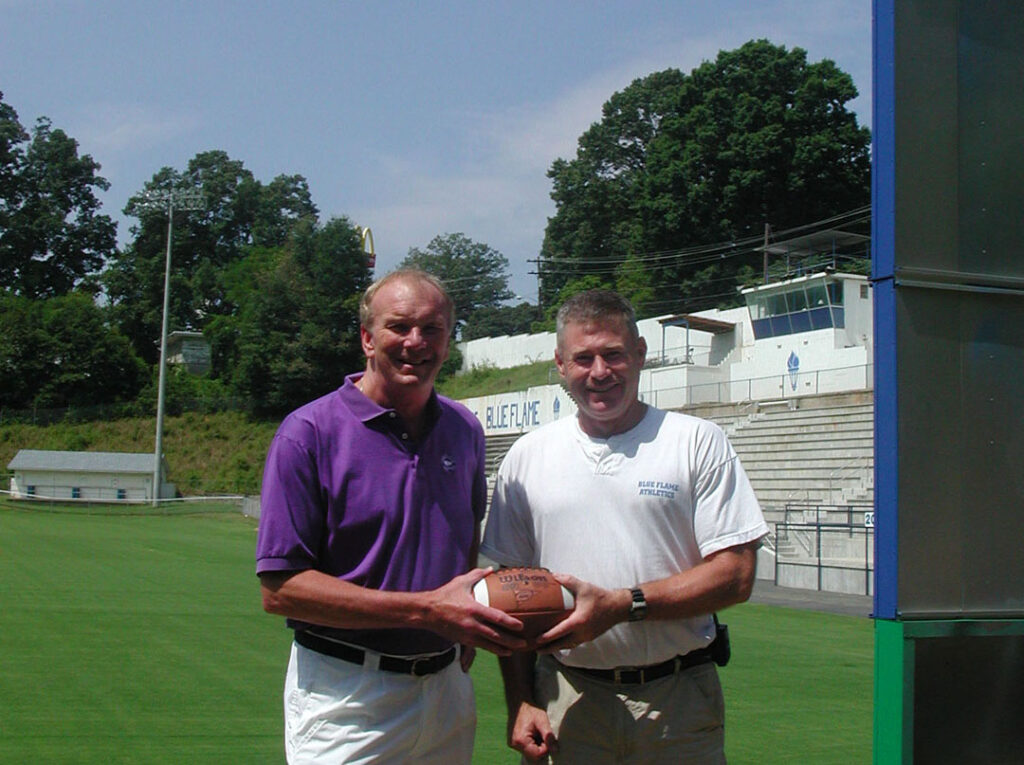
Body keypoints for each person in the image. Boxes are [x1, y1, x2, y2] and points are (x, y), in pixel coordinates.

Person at [482, 289, 769, 764]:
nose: (599, 372)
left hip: (677, 696)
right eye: (583, 358)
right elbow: (513, 600)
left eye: (613, 354)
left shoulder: (695, 441)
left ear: (639, 354)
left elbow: (736, 575)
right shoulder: (527, 457)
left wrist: (622, 606)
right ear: (560, 364)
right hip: (566, 697)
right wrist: (521, 701)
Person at [256, 268, 526, 764]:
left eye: (432, 329)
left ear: (449, 340)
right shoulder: (307, 433)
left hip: (445, 690)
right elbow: (280, 589)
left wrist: (462, 612)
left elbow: (465, 537)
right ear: (366, 338)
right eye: (399, 327)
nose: (415, 342)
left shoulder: (464, 429)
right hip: (347, 695)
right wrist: (428, 609)